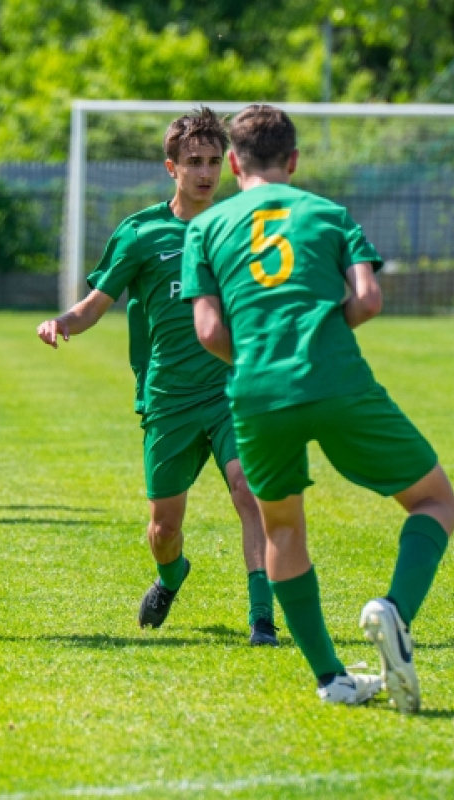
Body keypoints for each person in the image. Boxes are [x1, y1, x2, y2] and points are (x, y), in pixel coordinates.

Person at [182, 103, 454, 711]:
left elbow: (206, 331)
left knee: (281, 527)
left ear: (232, 163)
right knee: (436, 500)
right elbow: (370, 299)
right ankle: (395, 614)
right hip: (337, 379)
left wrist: (258, 356)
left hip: (255, 392)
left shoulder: (205, 227)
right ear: (295, 160)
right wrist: (326, 332)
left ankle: (331, 678)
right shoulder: (328, 213)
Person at [37, 108, 277, 645]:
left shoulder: (238, 227)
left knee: (249, 491)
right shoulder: (141, 233)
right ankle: (171, 576)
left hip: (229, 392)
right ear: (171, 167)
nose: (205, 173)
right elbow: (97, 303)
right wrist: (63, 322)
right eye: (194, 161)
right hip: (167, 398)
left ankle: (262, 618)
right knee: (164, 529)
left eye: (215, 161)